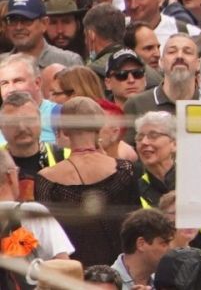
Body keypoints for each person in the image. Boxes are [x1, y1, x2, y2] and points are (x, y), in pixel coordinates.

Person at [34, 97, 139, 265]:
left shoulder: (47, 178)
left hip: (74, 273)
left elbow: (49, 238)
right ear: (98, 126)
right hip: (120, 271)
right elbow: (135, 223)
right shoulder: (124, 169)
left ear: (64, 130)